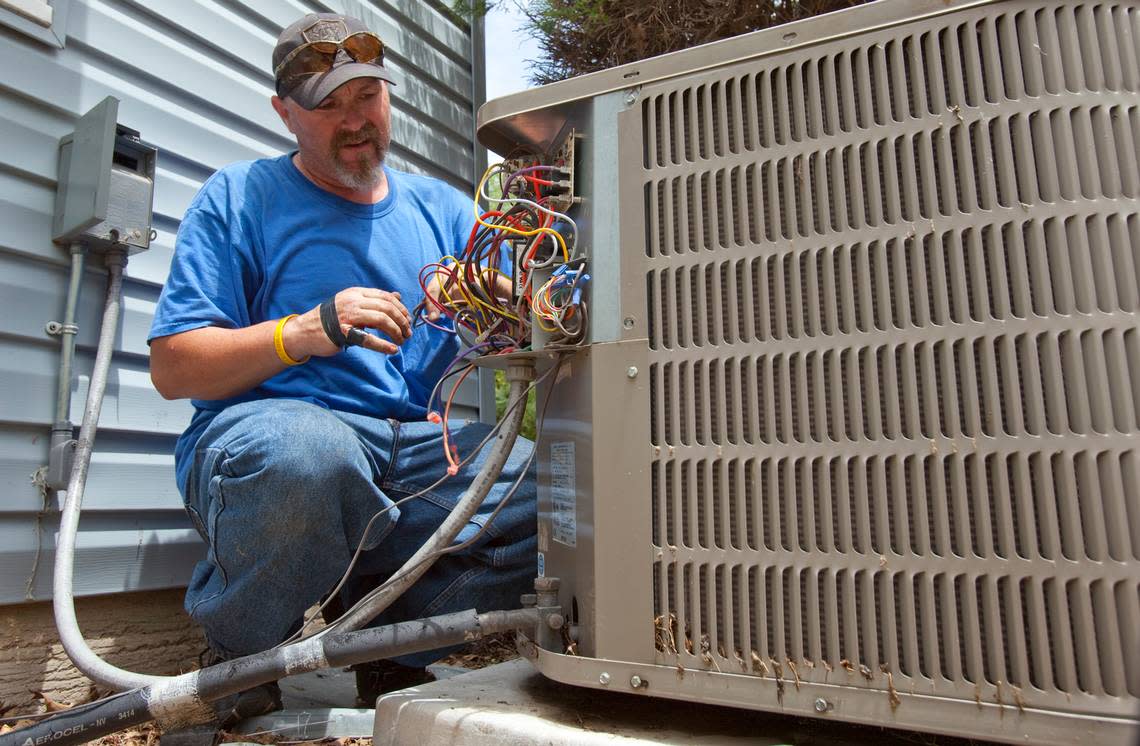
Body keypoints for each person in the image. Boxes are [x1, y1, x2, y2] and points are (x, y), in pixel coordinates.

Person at [147, 12, 536, 716]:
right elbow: (175, 368)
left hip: (412, 448)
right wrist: (308, 331)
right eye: (328, 105)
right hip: (275, 433)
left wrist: (493, 298)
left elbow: (539, 317)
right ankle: (244, 658)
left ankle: (392, 648)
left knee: (553, 484)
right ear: (285, 114)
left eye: (368, 97)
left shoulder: (442, 209)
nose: (355, 120)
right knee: (308, 455)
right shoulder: (239, 198)